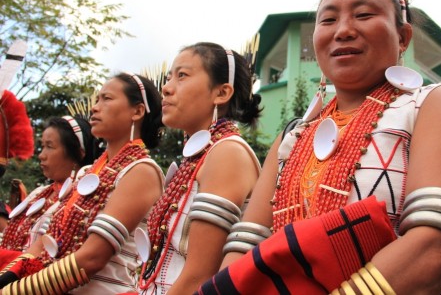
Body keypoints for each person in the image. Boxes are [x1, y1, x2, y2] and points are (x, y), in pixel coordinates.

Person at [198, 0, 441, 295]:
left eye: (363, 14)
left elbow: (439, 244)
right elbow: (247, 244)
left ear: (402, 37)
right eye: (328, 20)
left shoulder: (432, 105)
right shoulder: (292, 137)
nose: (343, 30)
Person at [0, 72, 165, 294]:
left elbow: (93, 258)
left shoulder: (142, 171)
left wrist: (14, 291)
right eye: (97, 100)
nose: (95, 107)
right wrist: (9, 275)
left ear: (137, 111)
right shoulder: (88, 172)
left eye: (107, 99)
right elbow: (47, 240)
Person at [136, 42, 262, 294]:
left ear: (221, 93)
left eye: (182, 76)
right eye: (169, 76)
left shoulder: (227, 153)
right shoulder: (198, 158)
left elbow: (200, 276)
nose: (166, 87)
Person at [0, 115, 101, 251]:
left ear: (78, 152)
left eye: (50, 146)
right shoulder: (38, 193)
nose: (41, 155)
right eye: (42, 146)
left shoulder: (84, 200)